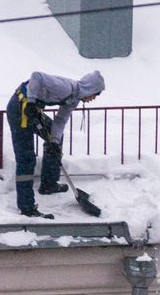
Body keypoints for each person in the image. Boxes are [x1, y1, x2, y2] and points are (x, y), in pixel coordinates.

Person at [6, 69, 104, 217]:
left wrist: (54, 142)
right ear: (90, 89)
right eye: (96, 94)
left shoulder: (73, 99)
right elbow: (36, 76)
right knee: (26, 159)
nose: (93, 98)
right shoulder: (66, 87)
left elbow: (60, 122)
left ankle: (48, 184)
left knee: (55, 141)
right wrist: (32, 102)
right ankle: (26, 207)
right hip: (20, 109)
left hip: (33, 111)